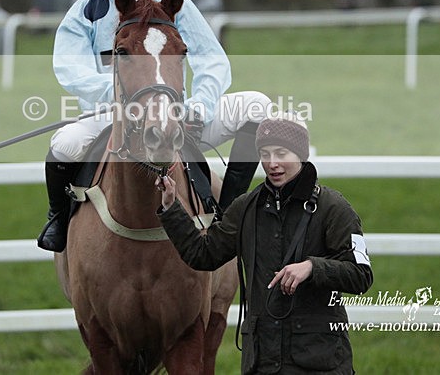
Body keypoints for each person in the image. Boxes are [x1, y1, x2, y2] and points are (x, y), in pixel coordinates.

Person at [37, 0, 272, 252]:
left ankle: (228, 214)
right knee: (63, 146)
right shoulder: (86, 8)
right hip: (113, 117)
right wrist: (122, 100)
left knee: (259, 106)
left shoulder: (171, 0)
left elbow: (212, 61)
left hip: (176, 112)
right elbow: (70, 69)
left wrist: (198, 108)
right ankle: (58, 218)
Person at [157, 112, 373, 374]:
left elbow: (361, 275)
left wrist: (312, 268)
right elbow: (203, 255)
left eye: (281, 153)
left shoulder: (333, 208)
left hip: (321, 362)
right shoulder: (246, 208)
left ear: (301, 155)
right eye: (265, 153)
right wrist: (171, 209)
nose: (272, 163)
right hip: (262, 362)